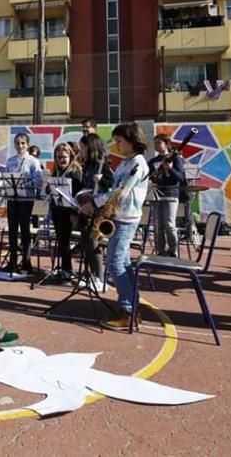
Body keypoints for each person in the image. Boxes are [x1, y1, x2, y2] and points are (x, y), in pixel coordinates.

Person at [84, 123, 150, 331]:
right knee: (121, 261)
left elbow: (121, 191)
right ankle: (131, 304)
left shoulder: (137, 164)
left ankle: (128, 311)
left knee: (114, 263)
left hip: (126, 219)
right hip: (119, 216)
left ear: (133, 141)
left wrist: (95, 203)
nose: (117, 145)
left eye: (120, 141)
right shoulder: (125, 163)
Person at [77, 132, 114, 290]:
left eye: (82, 147)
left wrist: (102, 180)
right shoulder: (88, 165)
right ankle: (90, 275)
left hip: (98, 208)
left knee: (94, 242)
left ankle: (100, 278)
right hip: (87, 207)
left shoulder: (102, 163)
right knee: (85, 242)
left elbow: (112, 184)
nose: (81, 150)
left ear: (89, 147)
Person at [3, 133, 43, 274]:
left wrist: (25, 183)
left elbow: (38, 180)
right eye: (17, 143)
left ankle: (26, 262)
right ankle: (12, 261)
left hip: (26, 200)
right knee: (12, 230)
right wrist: (7, 183)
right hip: (13, 199)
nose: (20, 146)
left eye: (23, 143)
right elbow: (6, 177)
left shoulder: (33, 161)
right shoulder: (11, 161)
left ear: (27, 144)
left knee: (25, 230)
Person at [148, 134, 186, 257]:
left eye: (159, 143)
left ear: (166, 144)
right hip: (156, 194)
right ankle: (160, 251)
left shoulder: (176, 159)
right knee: (158, 226)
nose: (156, 145)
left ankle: (173, 251)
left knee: (169, 224)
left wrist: (170, 169)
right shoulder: (153, 161)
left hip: (170, 194)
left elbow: (180, 178)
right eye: (155, 143)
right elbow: (149, 178)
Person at [49, 142, 83, 281]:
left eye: (64, 157)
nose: (61, 160)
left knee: (64, 240)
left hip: (70, 211)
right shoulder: (56, 171)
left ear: (70, 156)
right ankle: (64, 268)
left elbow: (78, 192)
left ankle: (67, 270)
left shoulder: (75, 172)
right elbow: (50, 190)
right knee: (61, 240)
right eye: (58, 157)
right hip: (57, 209)